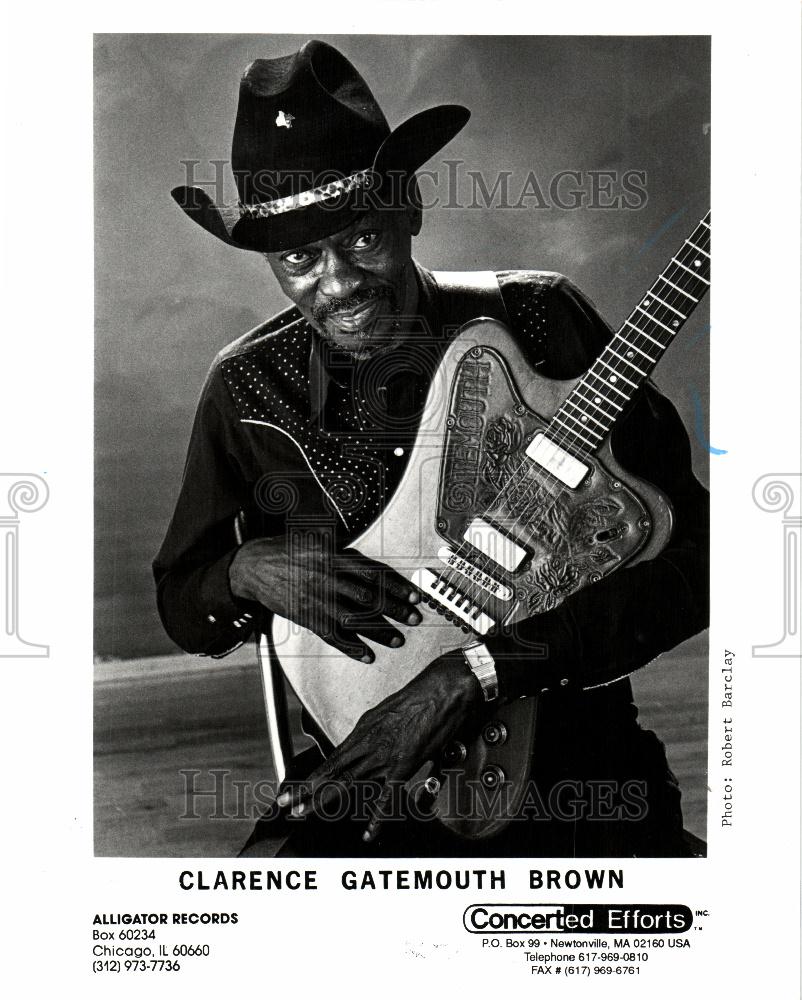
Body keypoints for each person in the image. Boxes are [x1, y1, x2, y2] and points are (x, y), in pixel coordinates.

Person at [154, 40, 709, 858]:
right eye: (299, 259)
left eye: (364, 240)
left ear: (408, 208)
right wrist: (243, 572)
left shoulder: (540, 323)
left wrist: (481, 672)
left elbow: (703, 561)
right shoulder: (246, 389)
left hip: (577, 769)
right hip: (369, 771)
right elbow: (181, 601)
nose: (337, 282)